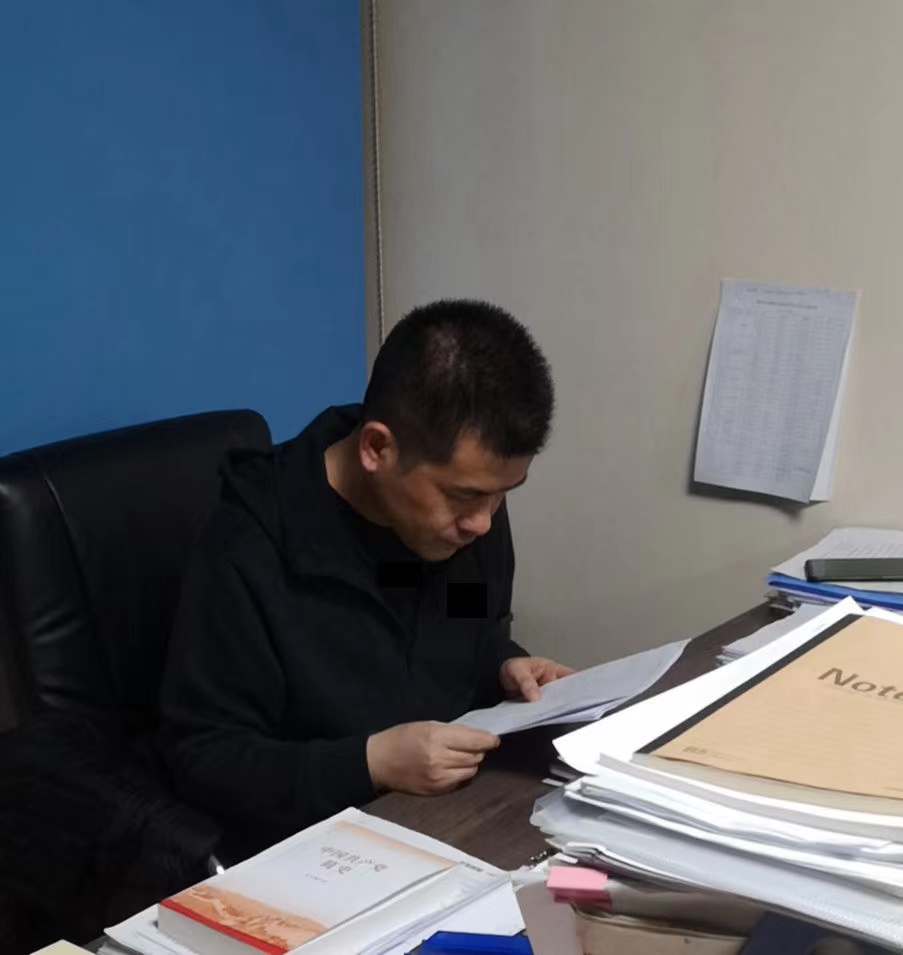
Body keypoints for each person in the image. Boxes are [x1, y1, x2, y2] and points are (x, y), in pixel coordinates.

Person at [159, 299, 573, 857]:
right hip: (317, 847)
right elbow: (207, 759)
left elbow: (467, 616)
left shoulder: (468, 519)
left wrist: (505, 664)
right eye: (464, 496)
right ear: (377, 447)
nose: (483, 522)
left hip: (455, 817)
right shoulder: (249, 548)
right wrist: (370, 762)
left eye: (503, 494)